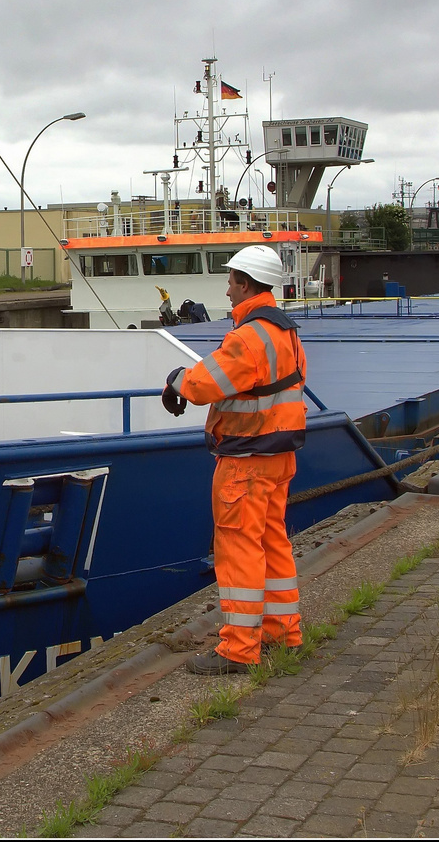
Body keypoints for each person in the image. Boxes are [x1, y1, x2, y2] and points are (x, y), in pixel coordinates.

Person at [161, 245, 307, 675]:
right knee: (272, 542)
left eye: (230, 281)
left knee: (239, 549)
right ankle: (284, 633)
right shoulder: (286, 332)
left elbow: (207, 382)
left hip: (245, 462)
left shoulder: (248, 336)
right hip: (279, 457)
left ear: (245, 283)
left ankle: (238, 650)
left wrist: (175, 380)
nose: (226, 291)